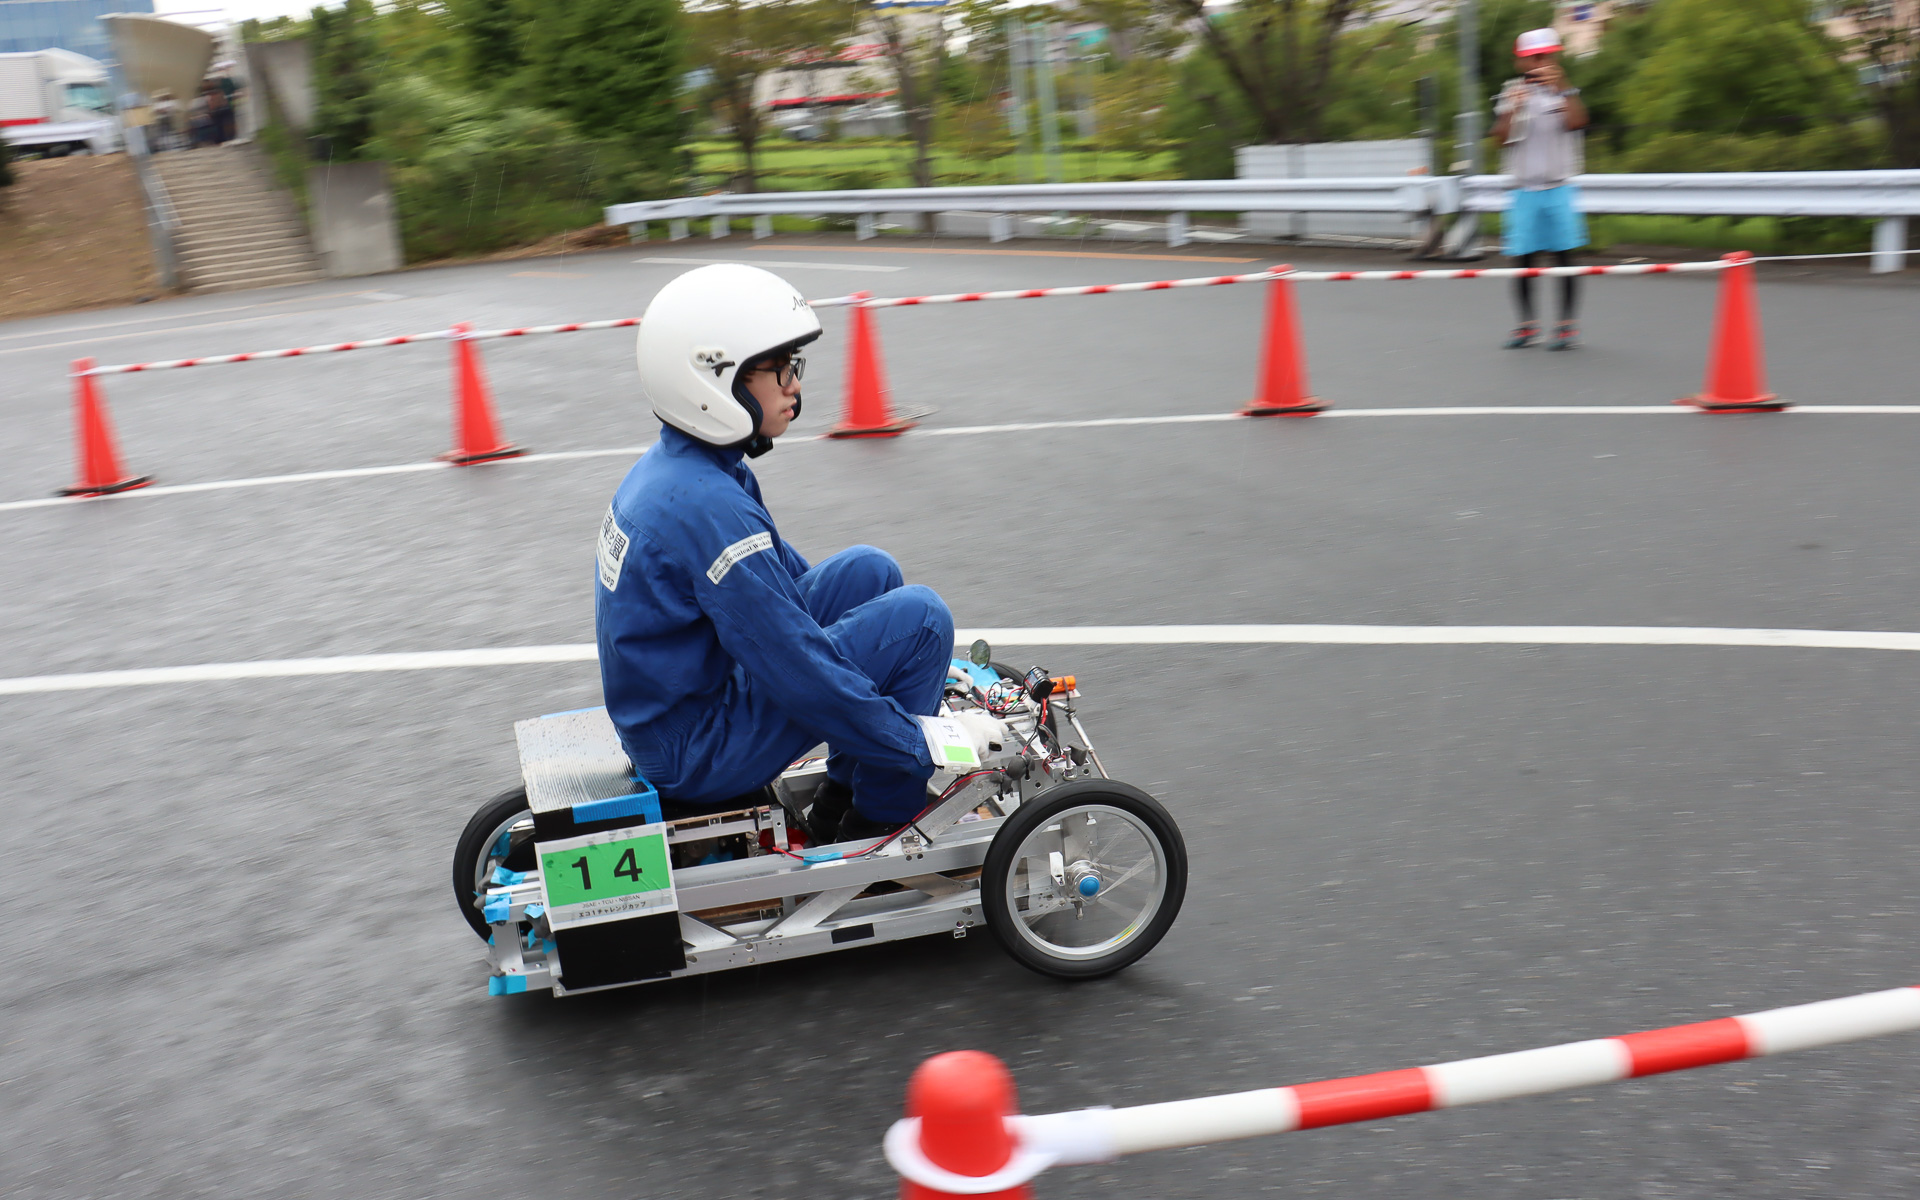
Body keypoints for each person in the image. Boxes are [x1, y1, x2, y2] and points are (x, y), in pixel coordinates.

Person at [596, 264, 970, 844]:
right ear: (714, 380)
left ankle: (840, 794)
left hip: (680, 716)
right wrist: (914, 740)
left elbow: (787, 591)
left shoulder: (690, 471)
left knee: (871, 572)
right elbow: (794, 662)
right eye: (782, 369)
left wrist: (869, 663)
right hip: (699, 750)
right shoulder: (708, 510)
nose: (796, 385)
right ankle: (883, 824)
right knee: (922, 619)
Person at [1491, 27, 1589, 351]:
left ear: (1554, 56)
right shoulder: (1510, 92)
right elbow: (1499, 139)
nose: (1539, 62)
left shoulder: (1564, 90)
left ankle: (1565, 326)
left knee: (1564, 258)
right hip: (1522, 189)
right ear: (1521, 62)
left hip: (1558, 186)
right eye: (1533, 58)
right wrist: (1513, 108)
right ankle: (1526, 325)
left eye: (1545, 55)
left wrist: (1561, 88)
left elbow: (1578, 123)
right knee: (1523, 261)